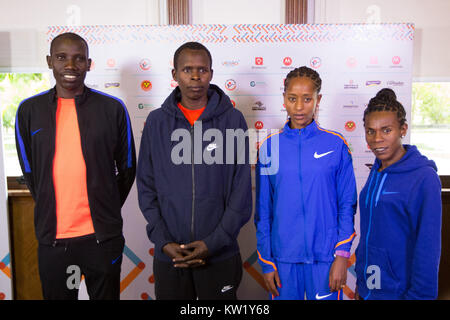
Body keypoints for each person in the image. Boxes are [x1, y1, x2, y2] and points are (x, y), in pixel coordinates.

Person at [15, 32, 136, 300]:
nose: (70, 66)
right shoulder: (29, 111)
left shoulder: (112, 109)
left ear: (89, 63)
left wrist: (105, 207)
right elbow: (31, 173)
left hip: (102, 239)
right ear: (49, 61)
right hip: (55, 242)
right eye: (61, 57)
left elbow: (127, 169)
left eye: (79, 59)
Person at [136, 42, 252, 300]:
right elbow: (146, 185)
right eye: (187, 69)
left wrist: (213, 243)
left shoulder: (233, 120)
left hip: (220, 253)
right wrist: (165, 242)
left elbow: (241, 189)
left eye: (202, 70)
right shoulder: (156, 122)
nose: (195, 77)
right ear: (174, 74)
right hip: (170, 254)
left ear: (211, 73)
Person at [255, 66, 357, 300]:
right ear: (284, 99)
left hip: (326, 258)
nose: (299, 107)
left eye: (307, 99)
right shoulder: (270, 147)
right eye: (292, 99)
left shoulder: (336, 145)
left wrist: (342, 255)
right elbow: (263, 211)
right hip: (283, 260)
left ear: (318, 99)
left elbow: (347, 204)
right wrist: (267, 262)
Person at [355, 88, 441, 300]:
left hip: (400, 293)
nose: (377, 139)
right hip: (370, 288)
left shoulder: (424, 177)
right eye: (370, 131)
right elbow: (371, 236)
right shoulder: (377, 169)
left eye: (386, 130)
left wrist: (419, 297)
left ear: (403, 129)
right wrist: (361, 284)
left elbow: (428, 248)